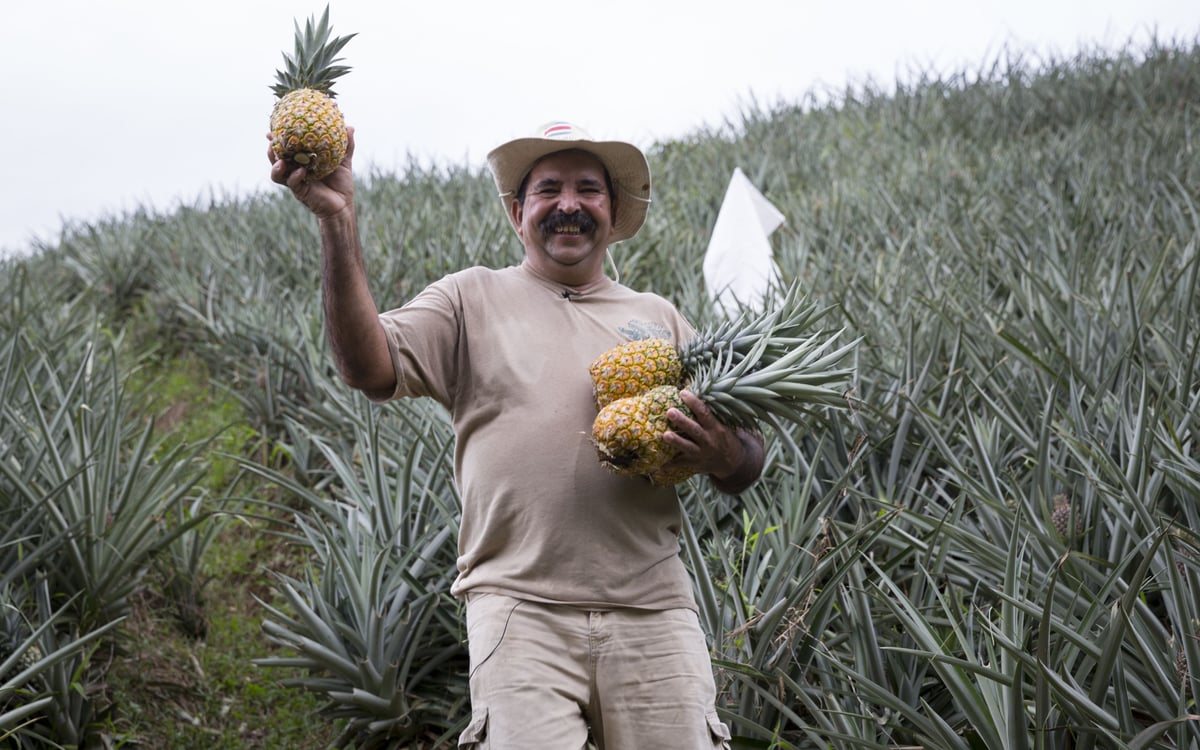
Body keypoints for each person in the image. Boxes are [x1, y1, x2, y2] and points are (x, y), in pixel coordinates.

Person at [269, 121, 765, 749]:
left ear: (611, 213)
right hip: (518, 613)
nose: (568, 205)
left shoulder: (659, 318)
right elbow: (368, 368)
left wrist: (722, 451)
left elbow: (747, 460)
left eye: (588, 189)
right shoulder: (468, 299)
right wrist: (336, 223)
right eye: (547, 189)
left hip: (655, 614)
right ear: (516, 210)